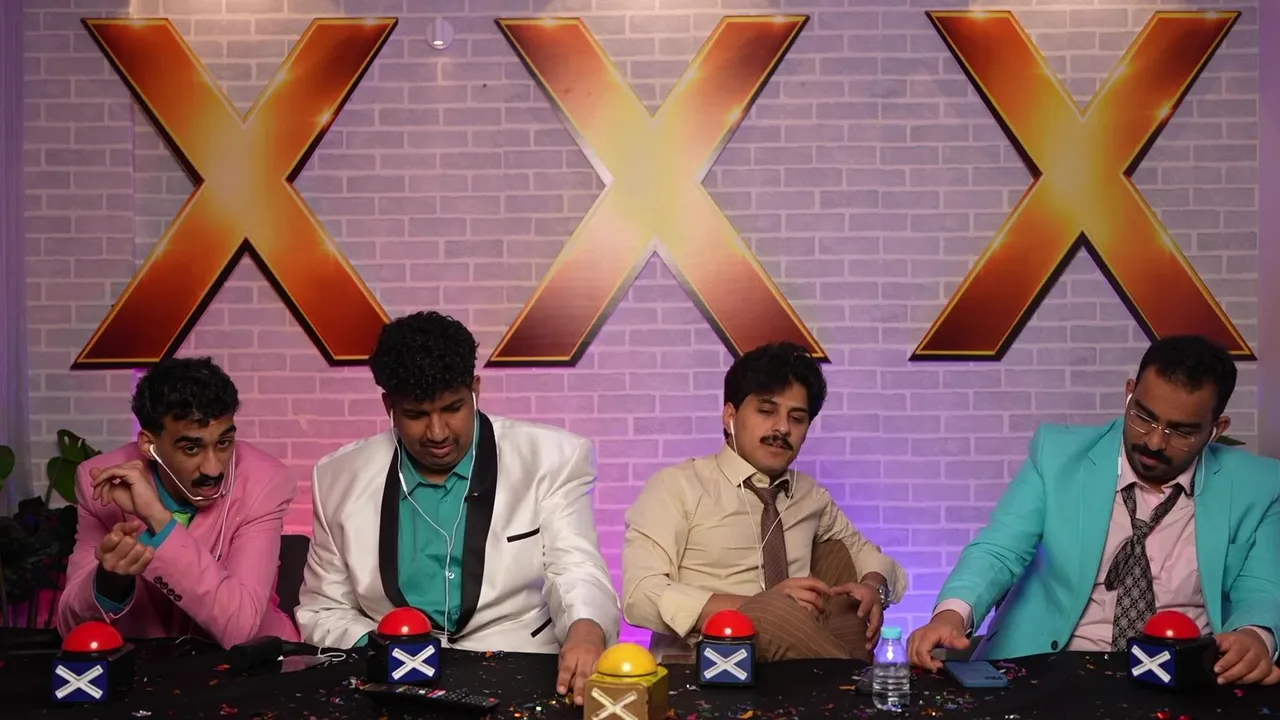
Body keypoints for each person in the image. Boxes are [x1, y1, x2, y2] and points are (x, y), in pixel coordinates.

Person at [908, 335, 1280, 686]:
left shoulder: (1261, 485)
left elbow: (1261, 588)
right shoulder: (1057, 455)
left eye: (1180, 431)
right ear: (1129, 393)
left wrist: (1255, 636)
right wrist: (952, 614)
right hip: (1047, 670)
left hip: (1182, 677)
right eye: (1143, 417)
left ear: (1216, 429)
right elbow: (1000, 549)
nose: (1154, 441)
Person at [295, 311, 619, 705]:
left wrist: (587, 628)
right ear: (388, 406)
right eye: (416, 415)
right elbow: (323, 609)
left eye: (452, 408)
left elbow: (575, 568)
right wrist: (384, 648)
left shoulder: (554, 458)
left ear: (475, 390)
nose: (437, 433)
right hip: (389, 685)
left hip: (523, 670)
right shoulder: (336, 477)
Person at [622, 342, 907, 662]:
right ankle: (856, 682)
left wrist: (874, 586)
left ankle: (846, 679)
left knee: (838, 561)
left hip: (800, 654)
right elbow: (639, 596)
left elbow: (868, 555)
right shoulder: (678, 486)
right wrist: (756, 607)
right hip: (710, 663)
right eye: (767, 411)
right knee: (775, 615)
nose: (782, 428)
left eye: (796, 418)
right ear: (730, 416)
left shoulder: (809, 495)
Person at [57, 357, 299, 649]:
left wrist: (157, 517)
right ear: (149, 445)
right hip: (147, 665)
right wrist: (109, 582)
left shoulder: (265, 481)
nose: (213, 468)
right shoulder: (100, 481)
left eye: (224, 443)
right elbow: (70, 628)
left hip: (252, 665)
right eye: (192, 448)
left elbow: (240, 627)